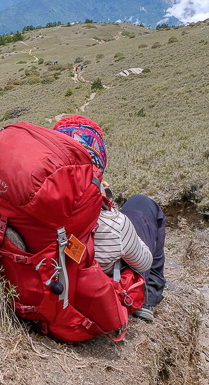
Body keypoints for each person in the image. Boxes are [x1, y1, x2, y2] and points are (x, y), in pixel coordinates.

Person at [54, 115, 167, 321]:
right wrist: (106, 207)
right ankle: (149, 296)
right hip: (94, 290)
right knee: (142, 203)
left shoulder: (34, 213)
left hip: (54, 287)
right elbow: (143, 263)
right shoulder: (114, 225)